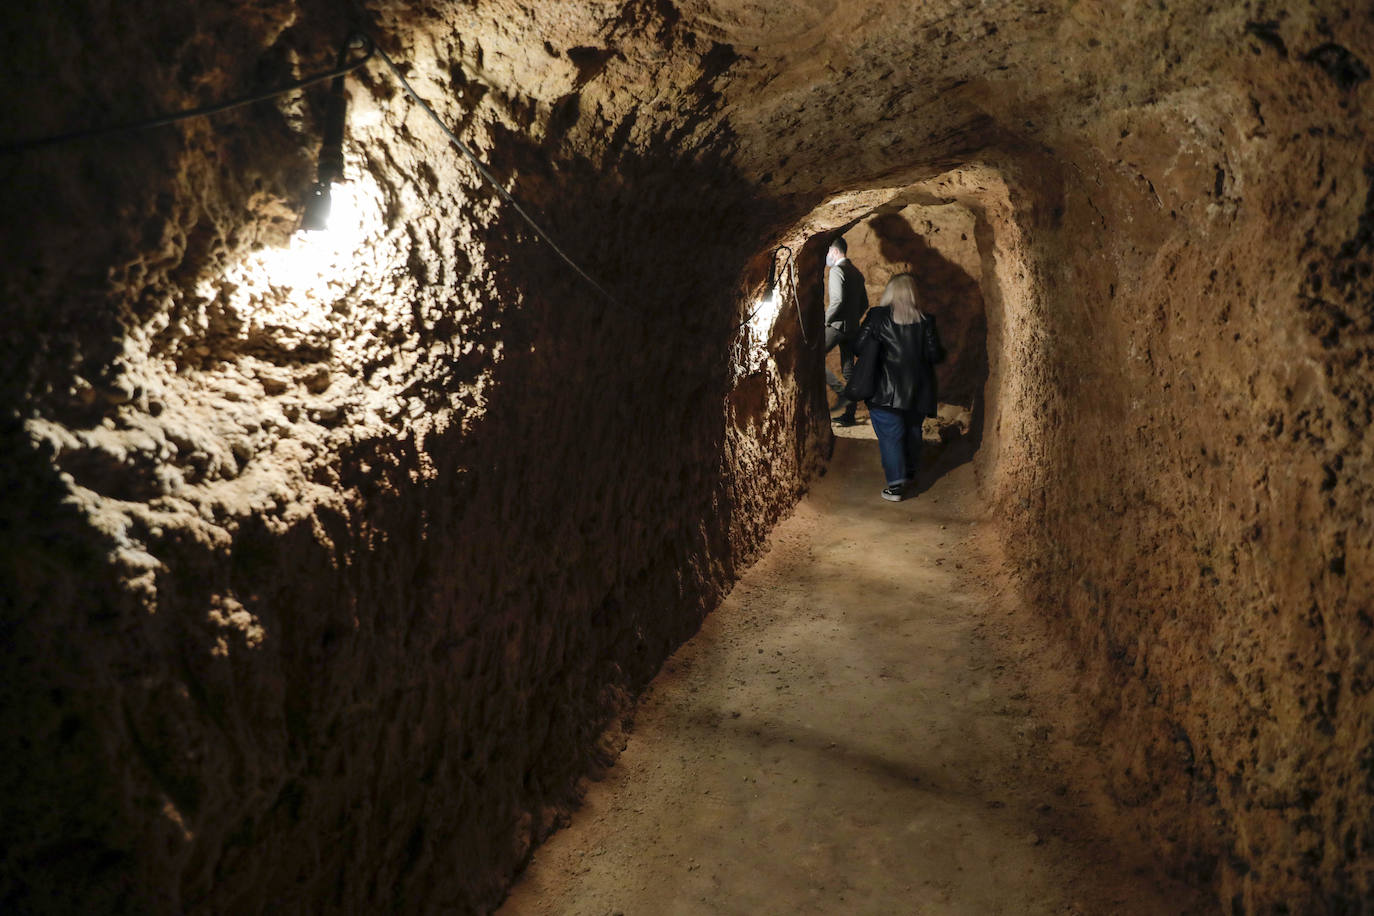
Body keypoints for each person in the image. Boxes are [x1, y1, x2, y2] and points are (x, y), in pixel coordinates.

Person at [848, 273, 946, 502]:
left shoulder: (877, 316)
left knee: (891, 436)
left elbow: (858, 347)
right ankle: (909, 471)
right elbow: (935, 354)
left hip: (885, 391)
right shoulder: (926, 320)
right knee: (913, 431)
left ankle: (896, 485)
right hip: (918, 391)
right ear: (913, 293)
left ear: (890, 292)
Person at [823, 237, 869, 426]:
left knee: (813, 360)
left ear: (834, 252)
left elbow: (837, 300)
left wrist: (825, 322)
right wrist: (853, 319)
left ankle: (841, 393)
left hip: (836, 327)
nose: (826, 257)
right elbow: (864, 303)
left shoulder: (837, 270)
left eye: (827, 253)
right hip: (852, 328)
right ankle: (849, 415)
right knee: (849, 371)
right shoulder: (856, 273)